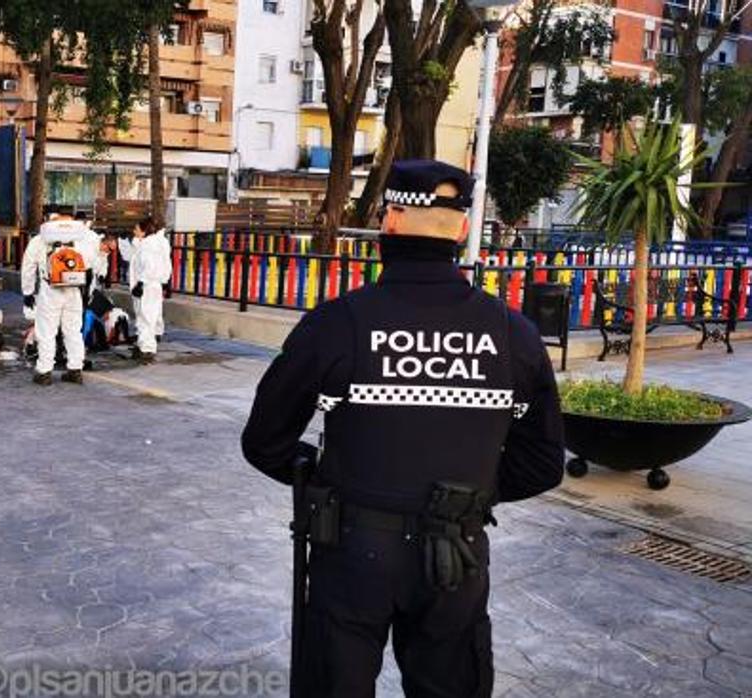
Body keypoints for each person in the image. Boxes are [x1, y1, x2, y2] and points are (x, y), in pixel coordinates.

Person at [241, 160, 565, 697]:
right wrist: (466, 495)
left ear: (389, 220)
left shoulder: (337, 323)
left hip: (352, 552)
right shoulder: (514, 335)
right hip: (455, 556)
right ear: (462, 230)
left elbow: (264, 441)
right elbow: (541, 463)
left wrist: (323, 477)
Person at [22, 214, 96, 385]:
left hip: (50, 291)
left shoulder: (40, 240)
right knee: (73, 331)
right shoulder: (79, 240)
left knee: (47, 332)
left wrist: (28, 292)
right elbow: (90, 262)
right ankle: (75, 369)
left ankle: (44, 372)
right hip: (73, 290)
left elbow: (28, 266)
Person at [118, 218, 171, 364]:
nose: (134, 232)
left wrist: (141, 283)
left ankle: (147, 350)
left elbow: (149, 265)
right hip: (150, 285)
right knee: (144, 316)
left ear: (143, 230)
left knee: (147, 317)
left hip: (147, 286)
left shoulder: (149, 245)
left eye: (136, 229)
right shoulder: (152, 243)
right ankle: (143, 346)